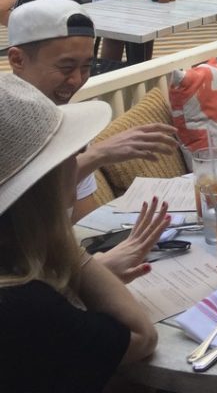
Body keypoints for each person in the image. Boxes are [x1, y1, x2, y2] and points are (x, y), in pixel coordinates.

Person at [0, 74, 158, 392]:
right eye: (72, 154)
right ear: (43, 187)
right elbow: (141, 337)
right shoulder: (25, 305)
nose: (79, 161)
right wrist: (65, 241)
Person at [8, 0, 178, 237]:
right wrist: (96, 156)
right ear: (17, 60)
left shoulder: (68, 123)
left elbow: (85, 226)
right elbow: (21, 226)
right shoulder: (8, 130)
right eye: (66, 67)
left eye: (87, 67)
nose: (77, 80)